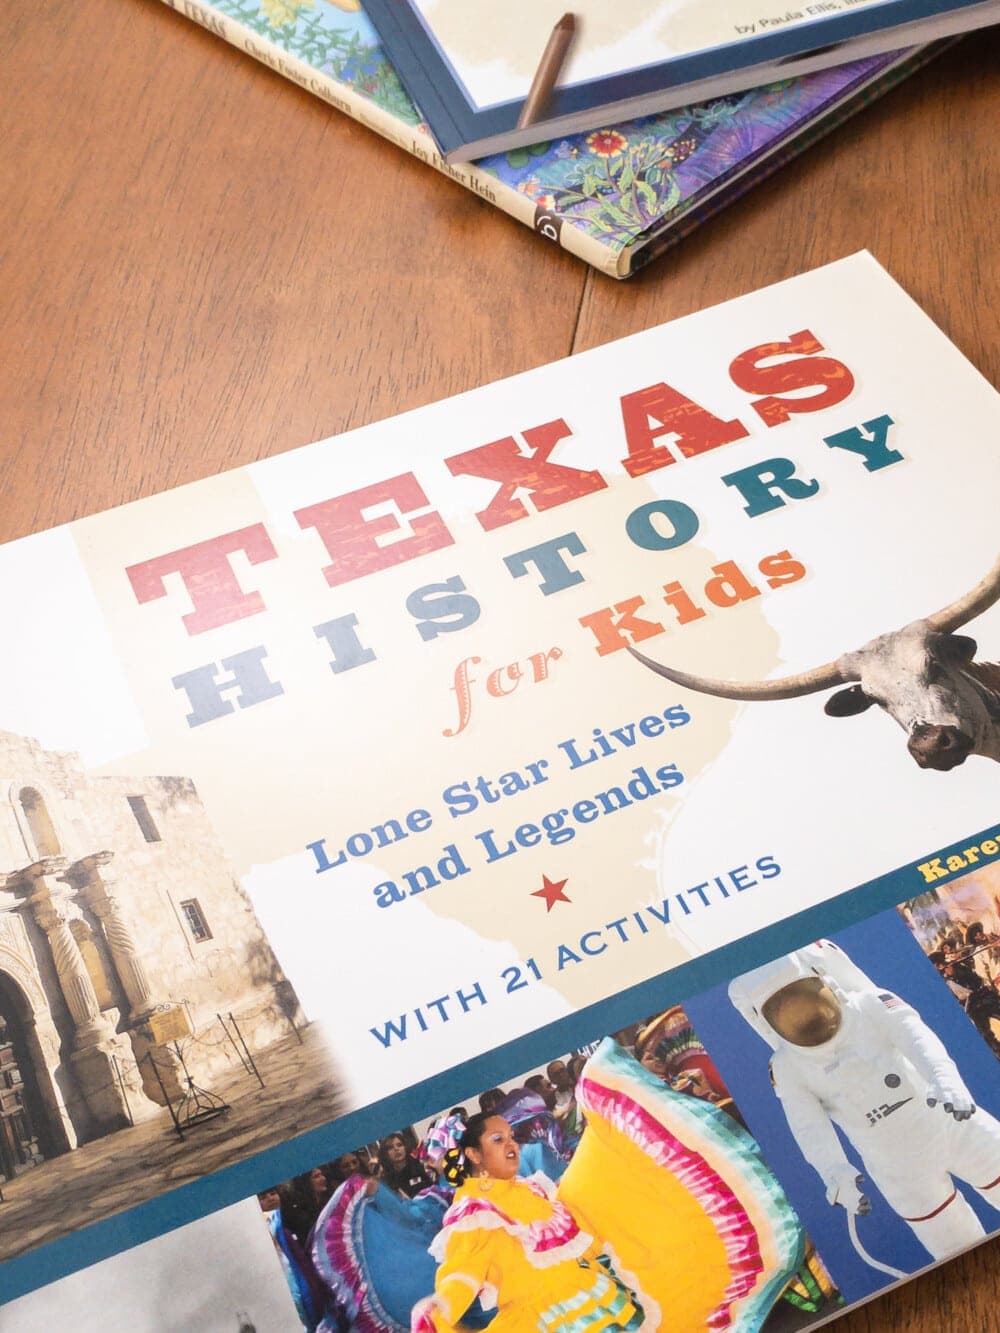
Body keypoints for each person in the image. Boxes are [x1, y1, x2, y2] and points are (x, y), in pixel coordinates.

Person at [730, 938, 1000, 1262]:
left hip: (954, 1125)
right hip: (900, 1171)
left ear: (822, 978)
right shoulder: (788, 1067)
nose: (802, 1014)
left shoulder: (871, 1006)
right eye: (784, 1010)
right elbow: (808, 1128)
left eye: (803, 995)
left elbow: (921, 1043)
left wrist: (947, 1084)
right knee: (963, 1257)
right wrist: (835, 1174)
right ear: (765, 1019)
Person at [411, 1113, 643, 1333]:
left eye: (512, 1137)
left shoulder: (530, 1188)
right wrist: (440, 1307)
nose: (511, 1144)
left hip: (588, 1294)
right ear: (474, 1155)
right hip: (540, 1321)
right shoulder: (475, 1213)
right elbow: (463, 1273)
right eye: (498, 1139)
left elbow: (572, 1239)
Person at [929, 949, 1000, 1057]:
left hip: (984, 997)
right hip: (972, 1007)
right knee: (985, 1034)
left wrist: (955, 974)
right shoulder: (942, 980)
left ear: (939, 964)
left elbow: (976, 982)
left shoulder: (960, 967)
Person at [380, 1132, 437, 1198]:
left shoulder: (422, 1169)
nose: (396, 1149)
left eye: (399, 1145)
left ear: (405, 1147)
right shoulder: (386, 1182)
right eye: (390, 1147)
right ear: (385, 1154)